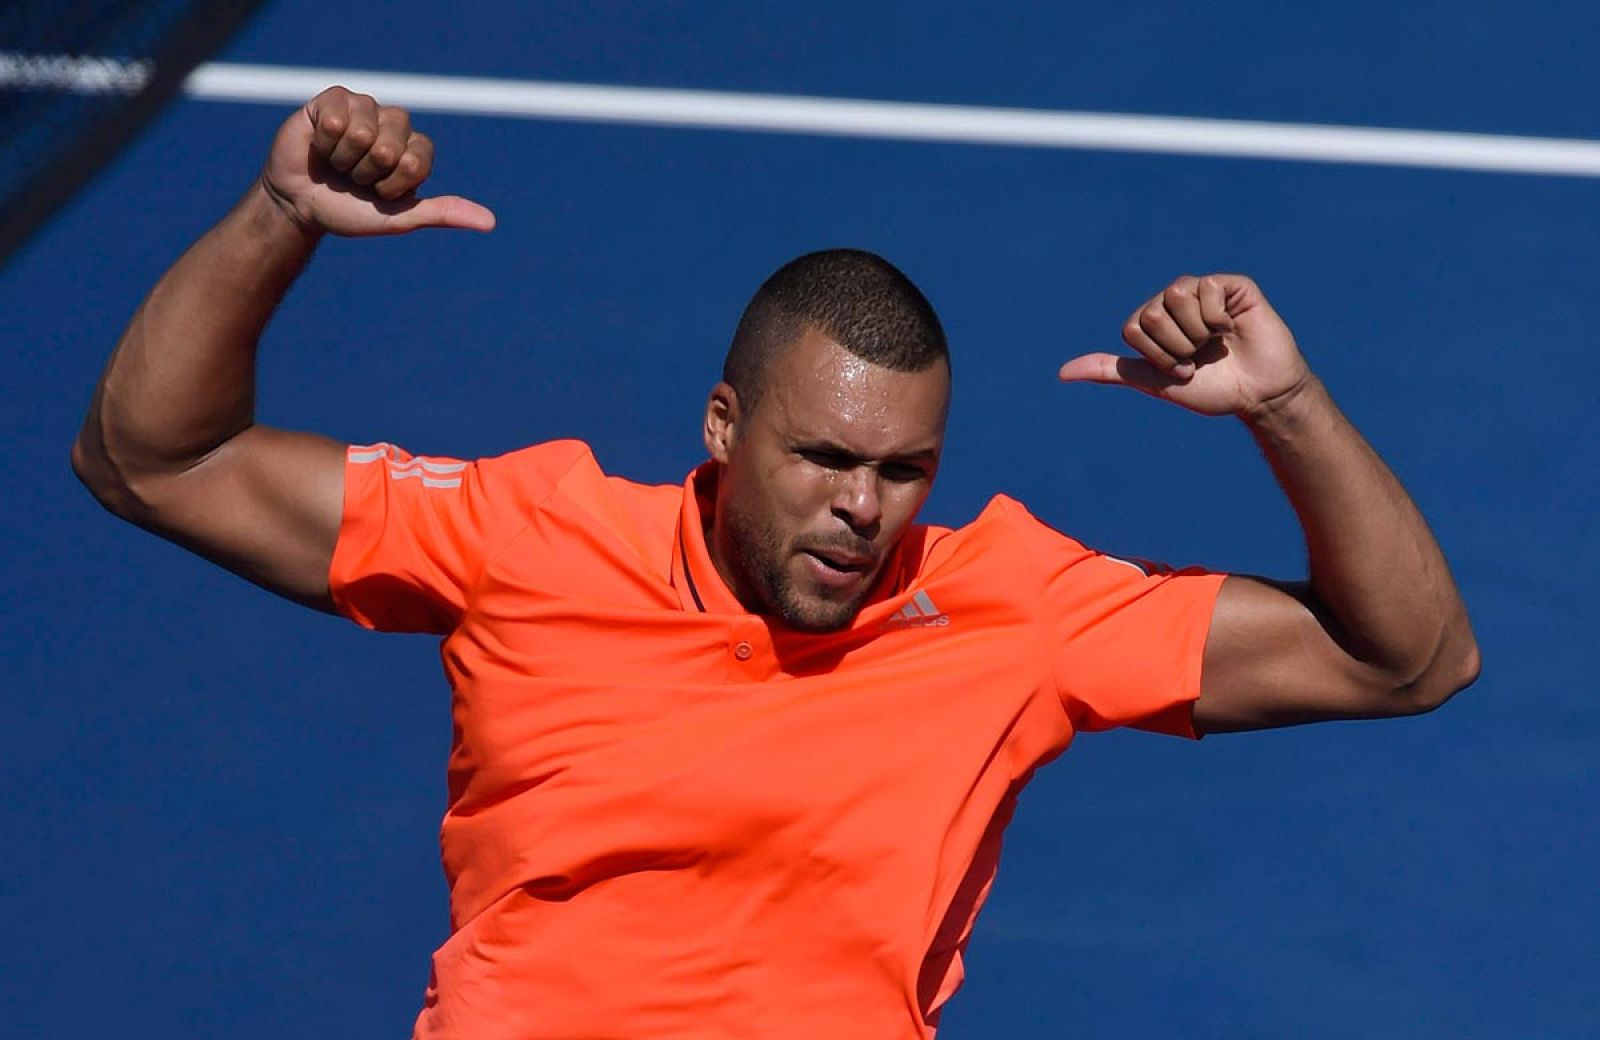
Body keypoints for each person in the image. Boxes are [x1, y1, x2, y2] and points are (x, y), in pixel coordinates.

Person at [73, 87, 1479, 1040]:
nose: (864, 509)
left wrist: (1289, 408)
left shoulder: (1012, 604)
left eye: (902, 471)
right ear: (723, 427)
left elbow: (1409, 658)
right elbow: (152, 460)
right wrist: (276, 222)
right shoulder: (527, 534)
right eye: (824, 461)